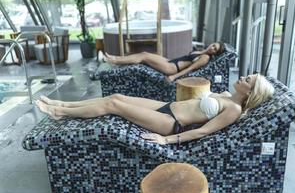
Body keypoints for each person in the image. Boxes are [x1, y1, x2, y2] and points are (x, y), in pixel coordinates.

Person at [36, 73, 274, 145]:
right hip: (167, 107)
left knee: (113, 105)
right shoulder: (225, 94)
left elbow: (203, 132)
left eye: (248, 80)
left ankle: (60, 112)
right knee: (117, 95)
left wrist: (166, 141)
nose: (243, 77)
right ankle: (62, 104)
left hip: (170, 123)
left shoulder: (232, 109)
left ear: (250, 93)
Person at [104, 42, 225, 82]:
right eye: (214, 45)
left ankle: (114, 60)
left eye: (215, 49)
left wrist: (173, 77)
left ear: (215, 53)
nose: (212, 48)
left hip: (172, 68)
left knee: (144, 56)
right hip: (171, 61)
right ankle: (116, 60)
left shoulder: (205, 58)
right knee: (145, 54)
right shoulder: (202, 51)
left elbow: (190, 69)